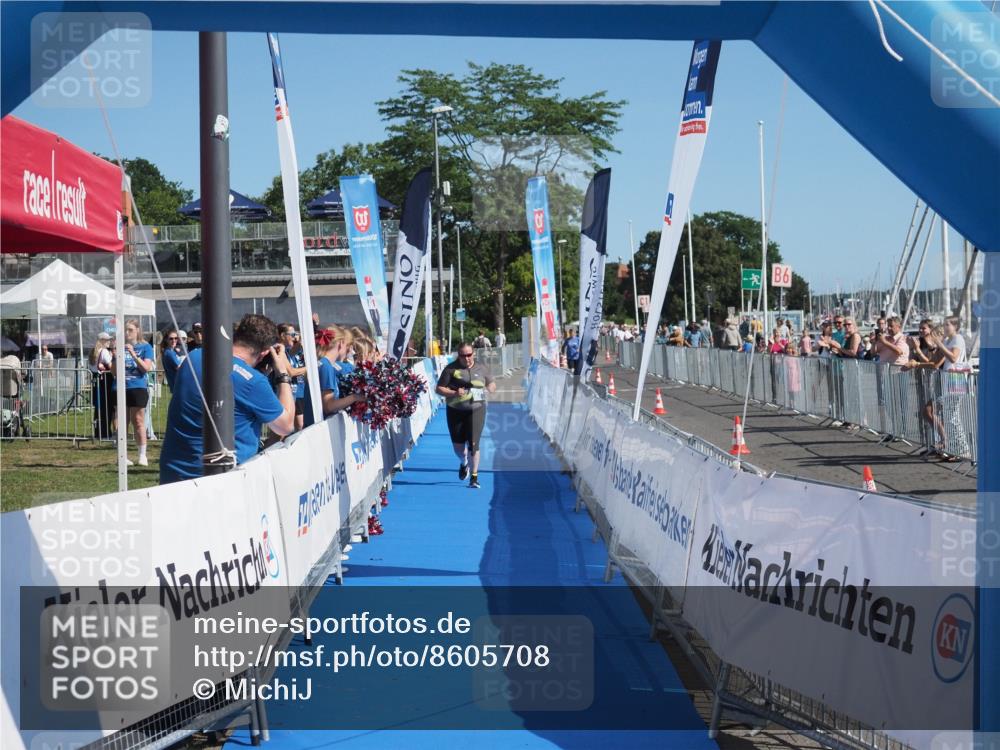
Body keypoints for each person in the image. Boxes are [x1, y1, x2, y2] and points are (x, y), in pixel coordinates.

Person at [160, 314, 296, 484]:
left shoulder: (194, 357)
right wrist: (283, 374)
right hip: (221, 479)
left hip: (174, 473)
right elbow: (286, 425)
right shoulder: (253, 382)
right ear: (264, 353)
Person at [436, 343, 497, 489]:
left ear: (473, 354)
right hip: (455, 410)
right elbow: (439, 388)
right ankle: (464, 463)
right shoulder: (451, 369)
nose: (466, 358)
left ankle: (474, 477)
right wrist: (454, 393)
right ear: (458, 355)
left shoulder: (482, 368)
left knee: (474, 444)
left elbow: (492, 384)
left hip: (477, 410)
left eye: (469, 355)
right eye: (463, 355)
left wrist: (489, 389)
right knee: (458, 447)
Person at [112, 320, 155, 466]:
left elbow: (146, 368)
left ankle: (142, 455)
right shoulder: (120, 346)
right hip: (121, 387)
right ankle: (121, 456)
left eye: (130, 329)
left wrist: (133, 354)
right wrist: (116, 357)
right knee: (122, 422)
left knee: (138, 421)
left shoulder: (145, 347)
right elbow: (113, 372)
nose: (127, 333)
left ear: (137, 330)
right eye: (125, 330)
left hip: (137, 387)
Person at [303, 326, 364, 426]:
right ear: (340, 343)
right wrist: (354, 397)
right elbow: (329, 406)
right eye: (347, 346)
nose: (348, 350)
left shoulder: (322, 363)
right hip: (317, 430)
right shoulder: (326, 366)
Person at [279, 323, 307, 431]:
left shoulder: (286, 351)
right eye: (292, 334)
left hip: (294, 393)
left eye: (296, 334)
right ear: (282, 335)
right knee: (280, 433)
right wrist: (310, 368)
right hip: (282, 393)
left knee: (297, 426)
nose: (295, 337)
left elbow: (293, 350)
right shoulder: (279, 351)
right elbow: (290, 372)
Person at [89, 332, 114, 438]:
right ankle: (105, 431)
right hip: (105, 381)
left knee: (98, 407)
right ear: (102, 341)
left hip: (96, 380)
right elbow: (112, 367)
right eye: (108, 340)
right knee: (106, 407)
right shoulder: (104, 351)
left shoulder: (92, 352)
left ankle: (98, 431)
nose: (109, 342)